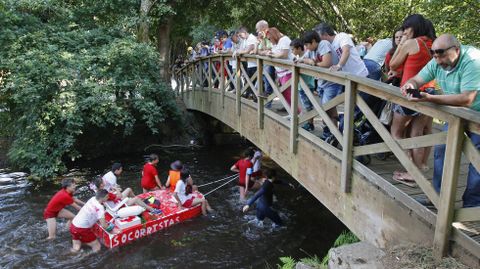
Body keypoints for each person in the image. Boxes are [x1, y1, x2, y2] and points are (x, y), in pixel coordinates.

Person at [401, 34, 480, 207]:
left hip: (477, 118)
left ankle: (471, 207)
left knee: (477, 162)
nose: (438, 59)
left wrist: (430, 98)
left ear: (456, 50)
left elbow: (467, 99)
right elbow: (417, 79)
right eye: (434, 55)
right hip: (457, 116)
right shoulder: (437, 61)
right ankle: (436, 197)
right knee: (442, 150)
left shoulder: (472, 60)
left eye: (442, 54)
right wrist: (411, 85)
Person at [389, 14, 436, 185]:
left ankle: (411, 170)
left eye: (406, 28)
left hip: (410, 93)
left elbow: (392, 65)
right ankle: (416, 173)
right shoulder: (432, 43)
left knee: (396, 132)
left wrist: (401, 42)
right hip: (428, 92)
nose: (404, 31)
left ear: (412, 28)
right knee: (417, 133)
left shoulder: (411, 43)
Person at [93, 178, 161, 213]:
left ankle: (140, 201)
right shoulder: (106, 193)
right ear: (101, 184)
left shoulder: (100, 193)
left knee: (128, 189)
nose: (104, 182)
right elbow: (119, 196)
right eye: (103, 181)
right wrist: (117, 189)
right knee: (136, 198)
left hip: (116, 201)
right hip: (120, 204)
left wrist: (114, 191)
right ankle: (151, 209)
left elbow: (111, 197)